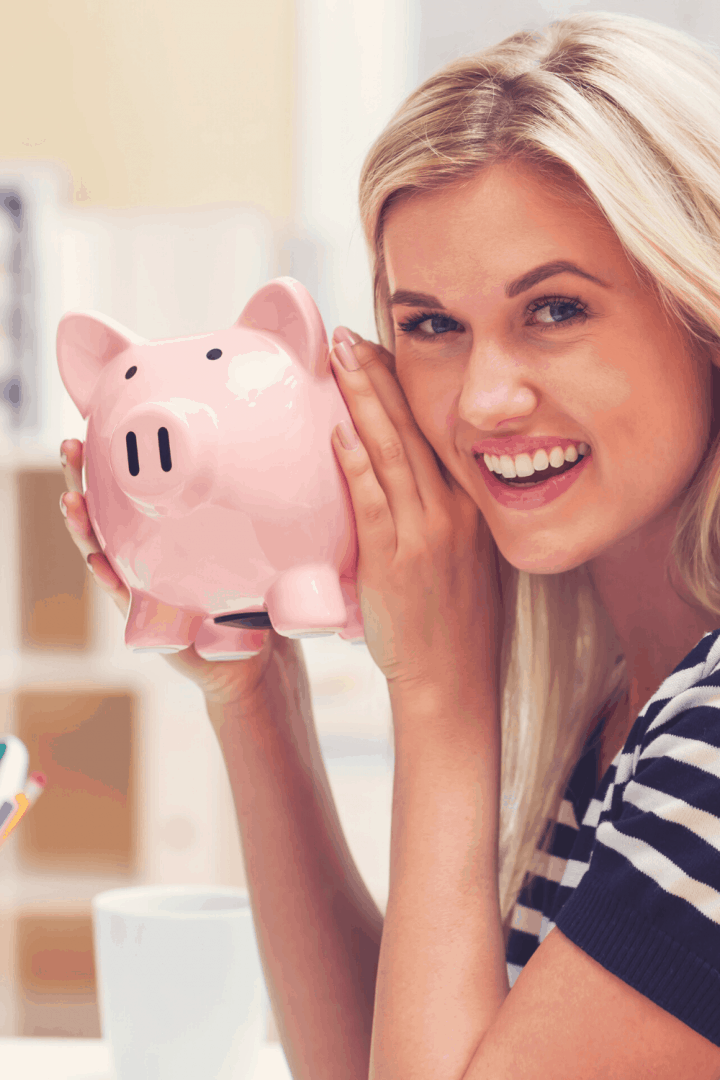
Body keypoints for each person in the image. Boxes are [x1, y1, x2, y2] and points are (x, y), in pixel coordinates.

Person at [59, 10, 720, 1078]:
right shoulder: (629, 703)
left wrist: (442, 698)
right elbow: (381, 1061)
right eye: (431, 325)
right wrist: (251, 690)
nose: (486, 400)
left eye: (555, 309)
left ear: (703, 308)